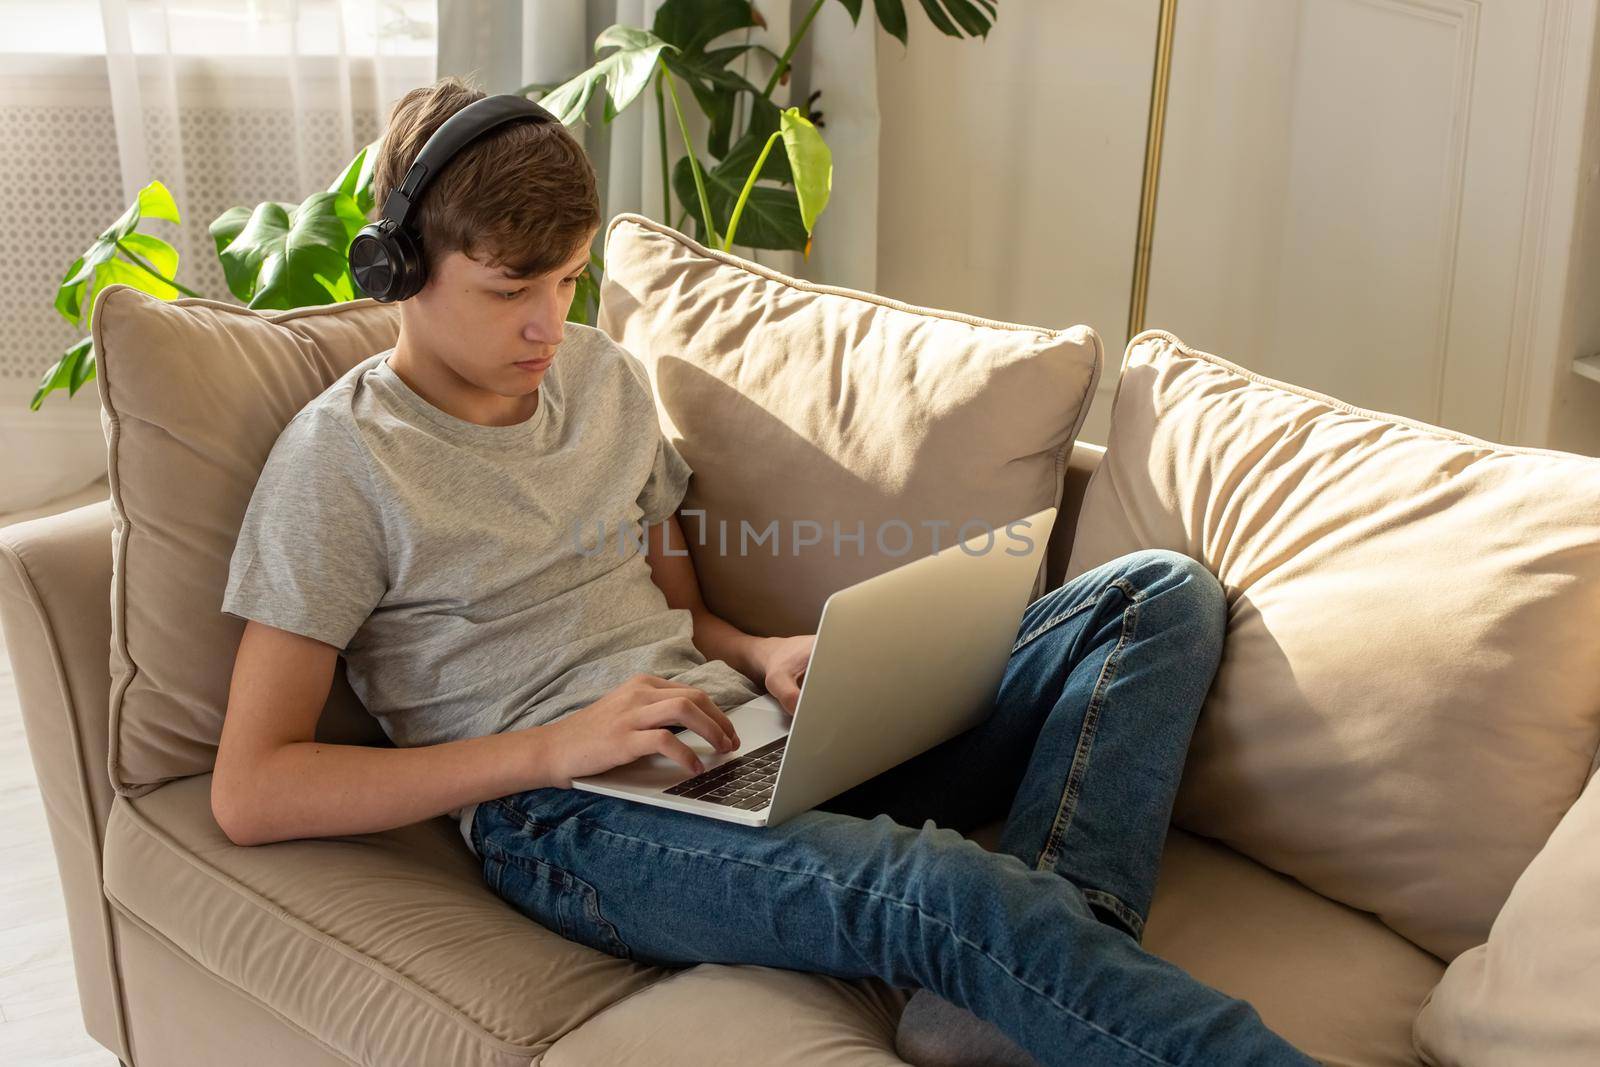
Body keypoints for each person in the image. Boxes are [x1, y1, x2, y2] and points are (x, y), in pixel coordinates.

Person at [213, 75, 1319, 1067]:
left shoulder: (604, 379)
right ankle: (1018, 960)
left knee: (1156, 592)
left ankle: (1002, 987)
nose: (549, 322)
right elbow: (253, 786)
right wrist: (560, 744)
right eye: (511, 289)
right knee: (939, 888)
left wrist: (760, 651)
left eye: (568, 279)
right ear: (399, 267)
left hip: (745, 741)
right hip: (563, 816)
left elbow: (679, 604)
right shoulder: (341, 461)